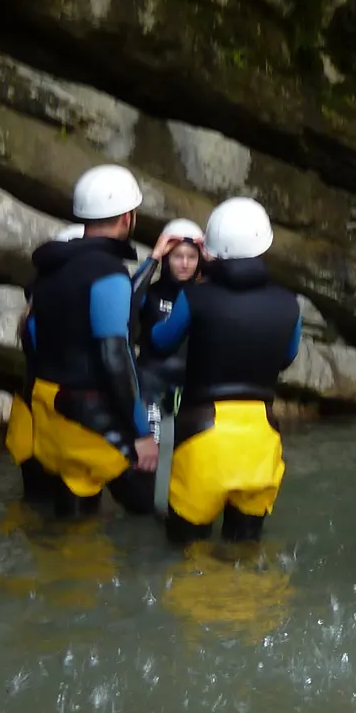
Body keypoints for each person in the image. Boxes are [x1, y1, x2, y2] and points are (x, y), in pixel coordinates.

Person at [147, 198, 301, 544]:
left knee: (185, 557)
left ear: (212, 249)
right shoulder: (289, 303)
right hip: (261, 438)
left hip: (204, 435)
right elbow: (286, 357)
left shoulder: (195, 297)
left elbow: (160, 341)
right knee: (244, 556)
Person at [25, 168, 157, 517]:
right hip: (90, 414)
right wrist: (142, 435)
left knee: (74, 517)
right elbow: (115, 355)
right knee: (154, 508)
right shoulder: (108, 273)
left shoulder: (50, 269)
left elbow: (33, 336)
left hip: (51, 411)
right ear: (128, 217)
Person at [133, 218, 206, 513]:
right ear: (167, 257)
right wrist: (153, 257)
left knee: (186, 462)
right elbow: (126, 301)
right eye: (177, 256)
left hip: (188, 388)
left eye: (191, 257)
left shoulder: (204, 296)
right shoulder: (150, 293)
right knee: (149, 467)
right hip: (152, 384)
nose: (185, 264)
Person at [7, 223, 82, 502]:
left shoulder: (34, 307)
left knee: (37, 503)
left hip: (32, 419)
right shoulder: (52, 312)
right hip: (54, 421)